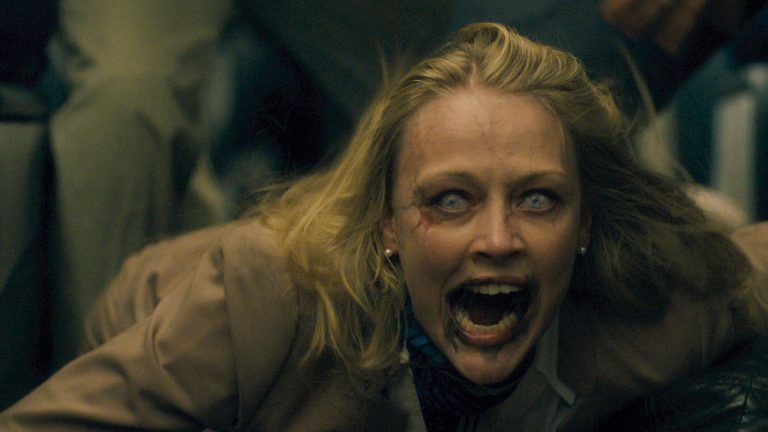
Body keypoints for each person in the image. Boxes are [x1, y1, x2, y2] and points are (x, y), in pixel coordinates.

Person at [1, 22, 766, 431]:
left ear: (586, 222)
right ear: (389, 228)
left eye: (538, 200)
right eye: (451, 201)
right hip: (176, 326)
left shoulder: (652, 315)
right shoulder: (261, 295)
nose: (497, 240)